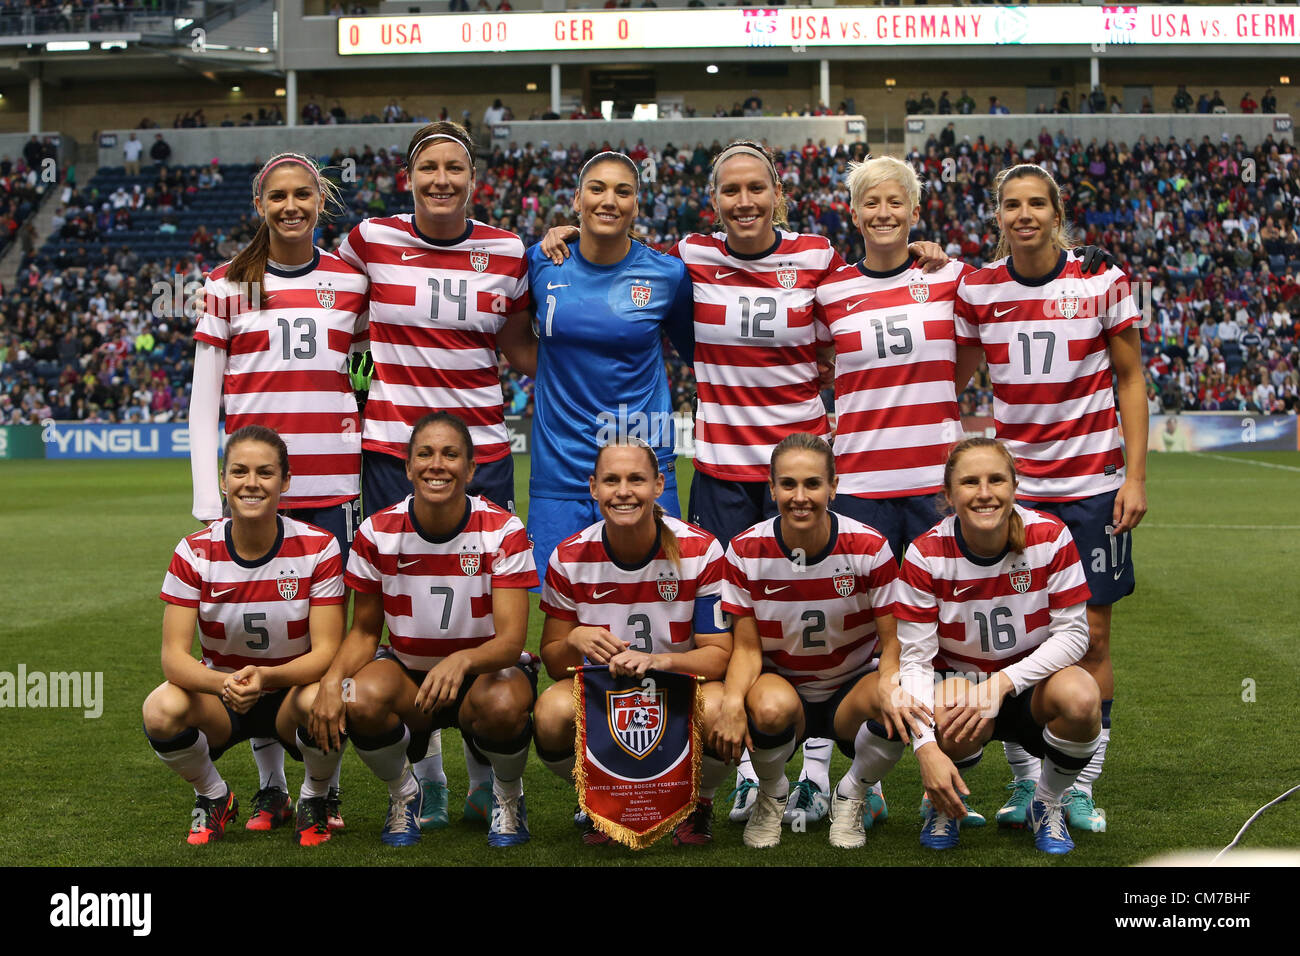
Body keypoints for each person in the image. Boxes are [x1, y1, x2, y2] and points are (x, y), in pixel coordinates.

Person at [541, 142, 943, 829]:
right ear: (714, 201)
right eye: (731, 191)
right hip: (724, 469)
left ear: (778, 194)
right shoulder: (692, 256)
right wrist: (571, 231)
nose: (745, 201)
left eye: (757, 189)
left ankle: (838, 771)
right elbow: (622, 251)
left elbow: (863, 296)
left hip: (799, 471)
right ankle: (752, 769)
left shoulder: (816, 255)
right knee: (745, 628)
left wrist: (921, 254)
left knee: (830, 621)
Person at [338, 122, 537, 823]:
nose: (442, 179)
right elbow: (329, 303)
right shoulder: (368, 240)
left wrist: (588, 387)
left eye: (455, 167)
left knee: (480, 615)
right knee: (405, 623)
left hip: (480, 450)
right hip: (395, 451)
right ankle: (426, 775)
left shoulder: (508, 251)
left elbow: (518, 343)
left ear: (473, 178)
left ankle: (487, 777)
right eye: (429, 168)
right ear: (410, 177)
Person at [954, 163, 1147, 835]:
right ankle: (1024, 783)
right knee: (1013, 640)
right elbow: (951, 373)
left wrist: (1136, 475)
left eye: (1036, 203)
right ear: (998, 215)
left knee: (1092, 636)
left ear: (1055, 211)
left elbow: (1130, 378)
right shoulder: (978, 289)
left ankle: (1080, 787)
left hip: (1093, 489)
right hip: (1014, 499)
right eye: (1012, 204)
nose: (1024, 214)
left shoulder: (1100, 280)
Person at [190, 151, 367, 833]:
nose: (291, 207)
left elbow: (367, 374)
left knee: (322, 642)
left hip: (332, 488)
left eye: (304, 196)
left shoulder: (352, 284)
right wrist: (211, 497)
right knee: (249, 642)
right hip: (254, 495)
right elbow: (206, 398)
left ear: (321, 202)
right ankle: (269, 787)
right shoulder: (226, 285)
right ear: (260, 207)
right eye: (277, 198)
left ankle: (323, 787)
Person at [309, 412, 539, 847]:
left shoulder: (503, 530)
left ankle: (508, 798)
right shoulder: (376, 533)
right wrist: (332, 679)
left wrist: (461, 660)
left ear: (471, 469)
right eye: (425, 454)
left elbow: (511, 642)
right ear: (408, 466)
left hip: (484, 675)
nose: (438, 465)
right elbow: (363, 632)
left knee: (508, 704)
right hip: (409, 674)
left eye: (451, 455)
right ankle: (405, 795)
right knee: (354, 697)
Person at [143, 426, 348, 846]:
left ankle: (314, 796)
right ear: (222, 480)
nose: (250, 483)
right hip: (224, 694)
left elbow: (328, 652)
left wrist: (267, 680)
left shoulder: (319, 547)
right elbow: (173, 658)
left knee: (332, 695)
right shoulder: (194, 552)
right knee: (160, 709)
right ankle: (214, 796)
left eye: (265, 473)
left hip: (291, 694)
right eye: (238, 472)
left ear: (285, 481)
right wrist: (224, 683)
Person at [895, 438, 1101, 854]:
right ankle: (945, 802)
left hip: (1032, 687)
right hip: (960, 687)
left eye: (996, 480)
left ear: (1014, 484)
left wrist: (1002, 683)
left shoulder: (1050, 536)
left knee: (1081, 697)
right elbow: (915, 660)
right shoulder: (925, 554)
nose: (985, 493)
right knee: (948, 706)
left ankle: (1047, 803)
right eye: (970, 482)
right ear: (949, 494)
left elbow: (1075, 634)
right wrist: (926, 747)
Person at [713, 434, 907, 850]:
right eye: (788, 485)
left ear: (833, 487)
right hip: (784, 685)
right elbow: (746, 649)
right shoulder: (745, 551)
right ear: (772, 489)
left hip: (851, 686)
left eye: (812, 484)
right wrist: (731, 703)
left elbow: (893, 643)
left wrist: (891, 686)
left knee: (899, 696)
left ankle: (853, 793)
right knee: (766, 707)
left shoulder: (870, 548)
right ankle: (772, 793)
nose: (799, 497)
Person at [534, 440, 733, 845]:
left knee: (720, 708)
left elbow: (719, 656)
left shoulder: (700, 549)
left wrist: (660, 661)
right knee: (550, 713)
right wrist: (575, 637)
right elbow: (554, 661)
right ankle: (599, 799)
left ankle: (700, 805)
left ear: (659, 485)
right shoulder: (569, 557)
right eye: (611, 480)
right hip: (606, 694)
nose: (623, 491)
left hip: (680, 684)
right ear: (593, 488)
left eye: (636, 479)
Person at [524, 150, 693, 579]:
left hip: (642, 463)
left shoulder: (668, 275)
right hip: (562, 462)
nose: (609, 201)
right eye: (597, 189)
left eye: (623, 191)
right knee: (562, 608)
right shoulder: (539, 262)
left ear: (637, 204)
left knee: (657, 596)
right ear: (577, 199)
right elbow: (510, 336)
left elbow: (700, 354)